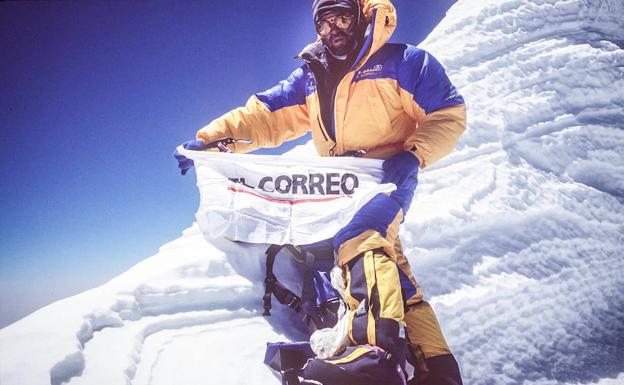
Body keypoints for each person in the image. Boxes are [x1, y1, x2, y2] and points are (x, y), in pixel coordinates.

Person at [175, 1, 466, 383]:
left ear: (362, 16)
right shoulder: (312, 78)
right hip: (338, 186)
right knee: (390, 268)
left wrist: (414, 154)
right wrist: (210, 142)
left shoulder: (406, 62)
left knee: (358, 239)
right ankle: (437, 366)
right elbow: (263, 115)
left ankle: (374, 352)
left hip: (384, 176)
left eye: (342, 18)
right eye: (324, 24)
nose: (334, 30)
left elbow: (449, 113)